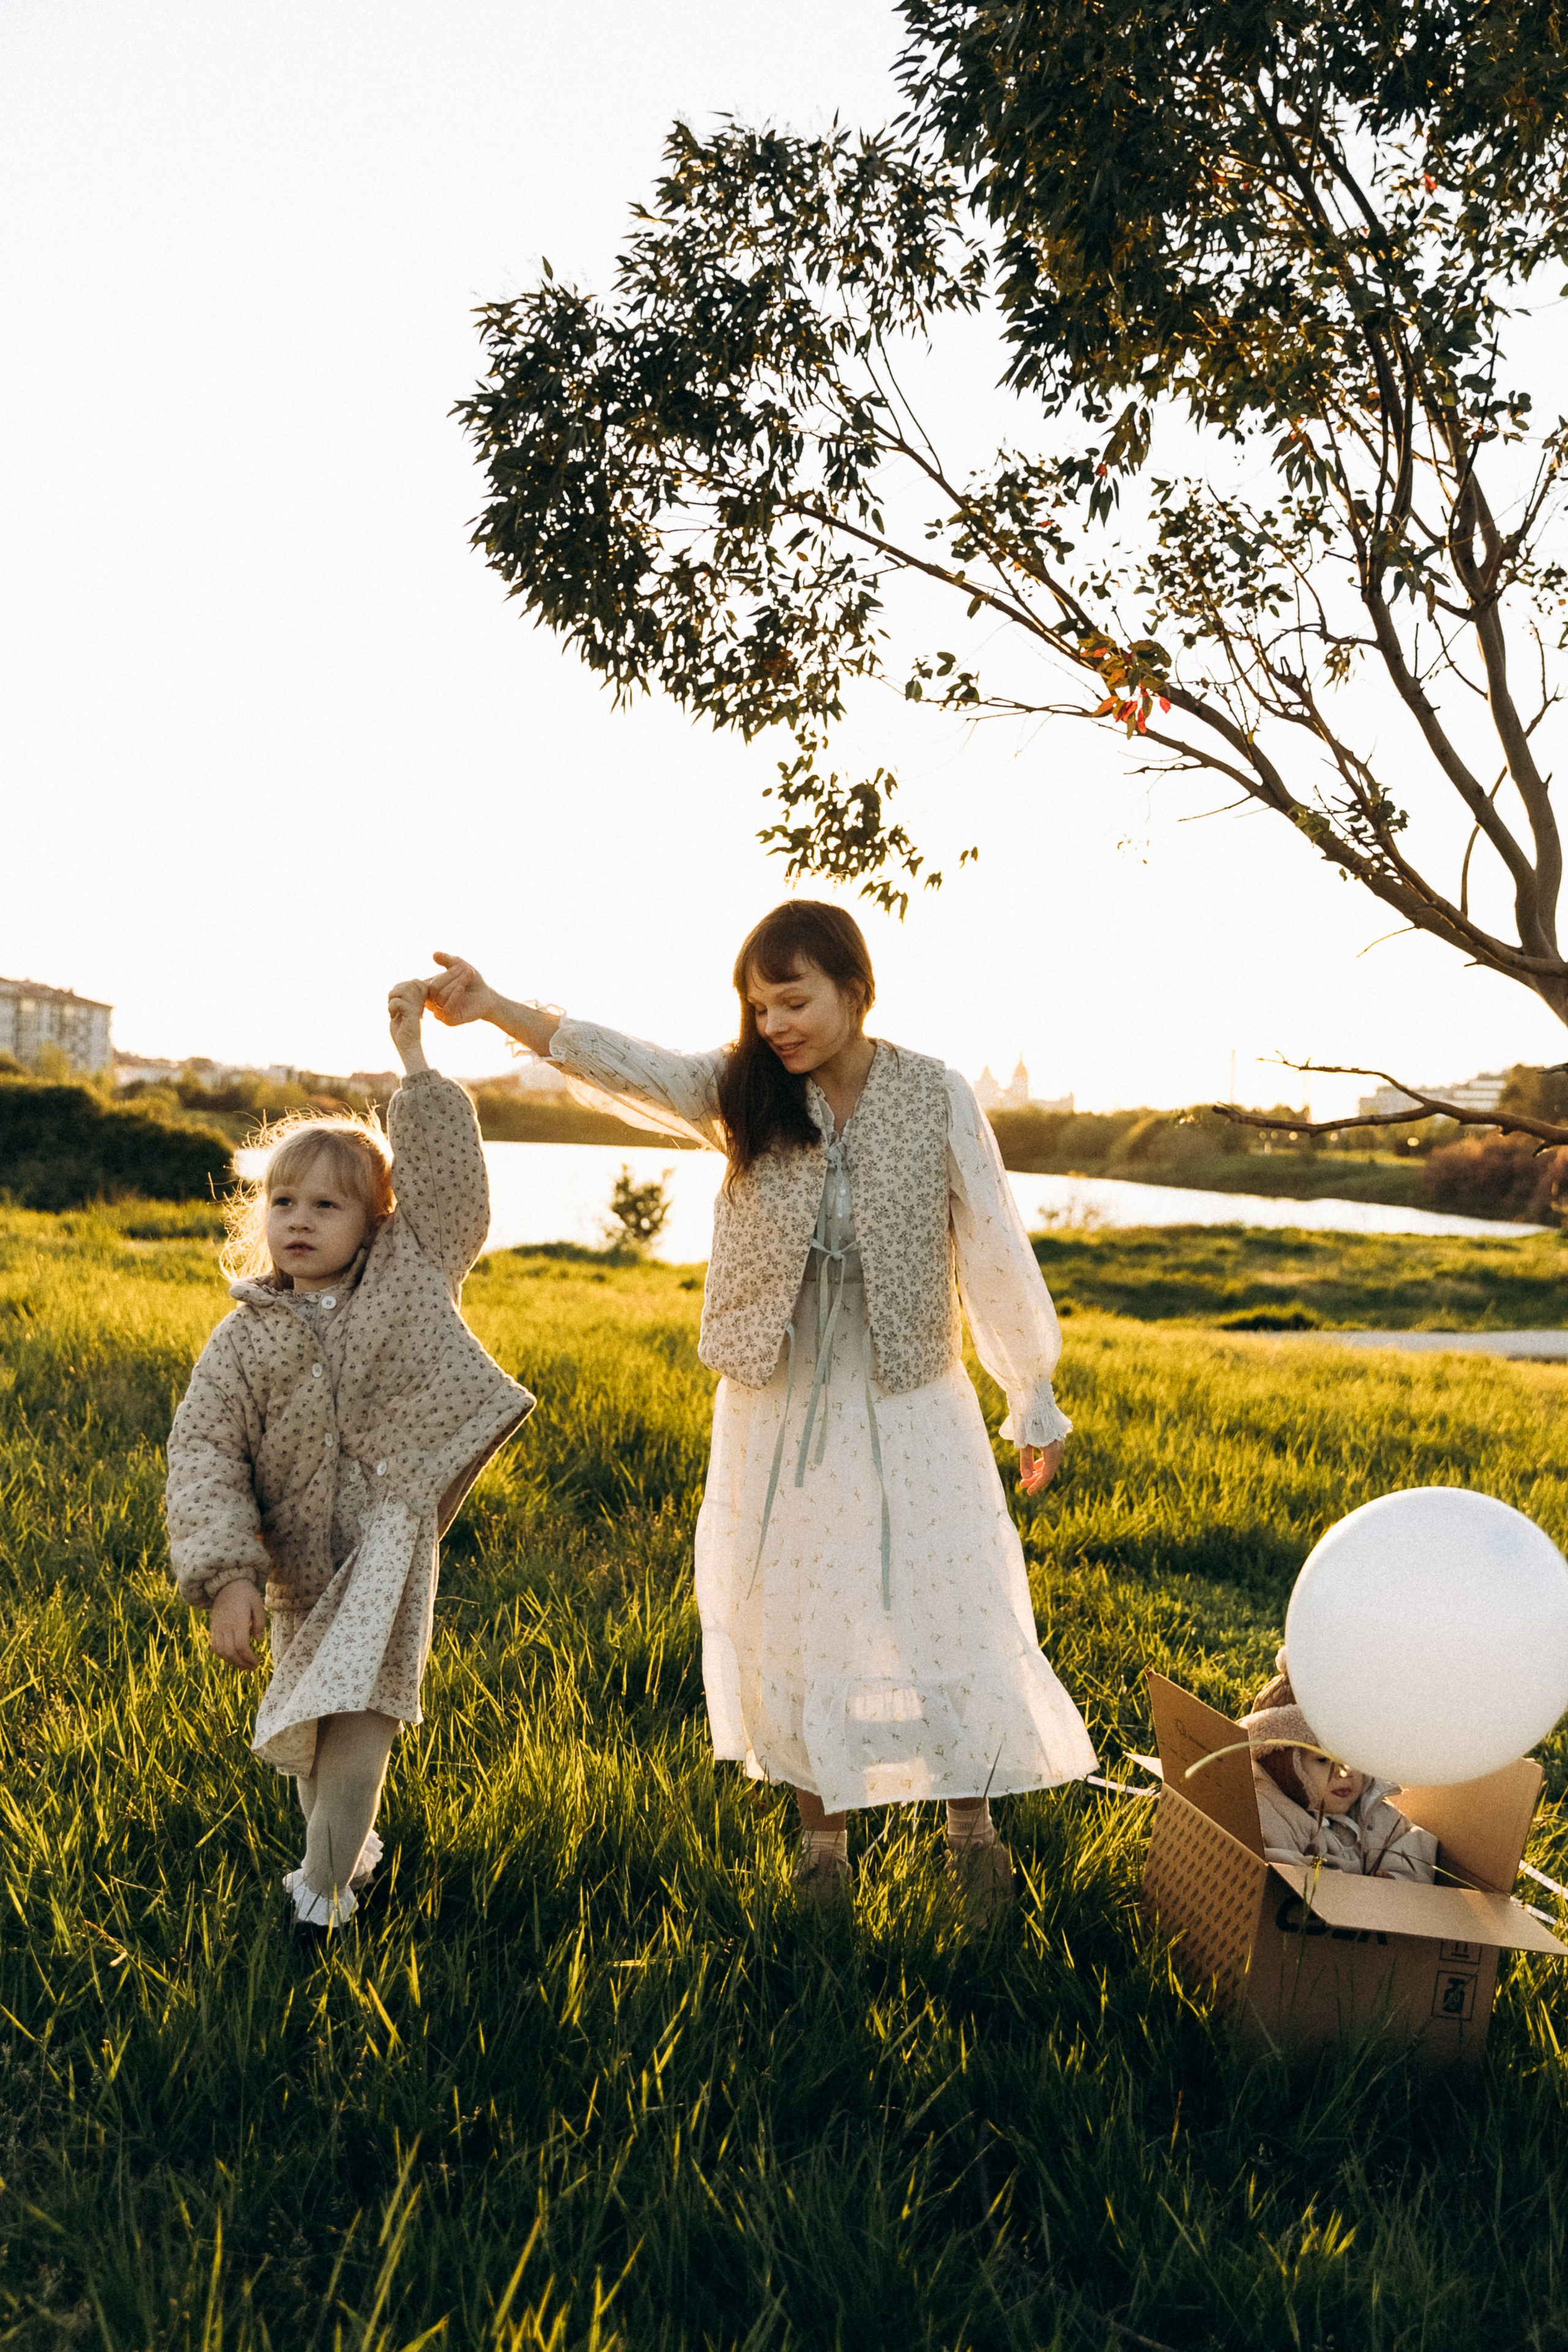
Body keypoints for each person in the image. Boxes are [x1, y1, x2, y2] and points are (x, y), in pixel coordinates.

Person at [422, 900, 1096, 1919]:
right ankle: (824, 1847)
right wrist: (496, 1007)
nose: (774, 1024)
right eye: (758, 1006)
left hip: (910, 1390)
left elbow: (994, 1240)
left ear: (856, 991)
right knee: (801, 1614)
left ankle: (971, 1830)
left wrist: (1030, 1391)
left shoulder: (935, 1093)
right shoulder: (745, 1092)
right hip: (779, 1398)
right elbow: (628, 1065)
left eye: (794, 1001)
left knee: (944, 1600)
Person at [165, 981, 535, 1935]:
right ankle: (342, 1858)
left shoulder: (411, 1272)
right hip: (298, 1564)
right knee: (312, 1724)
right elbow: (205, 1455)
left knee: (363, 1716)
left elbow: (453, 1191)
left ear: (374, 1220)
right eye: (283, 1200)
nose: (299, 1219)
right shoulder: (243, 1340)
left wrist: (416, 1066)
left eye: (327, 1204)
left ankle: (321, 1900)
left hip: (388, 1545)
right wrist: (228, 1576)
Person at [1241, 1660, 1436, 1882]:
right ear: (1284, 1766)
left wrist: (1397, 1879)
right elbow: (1270, 1867)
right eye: (1324, 1760)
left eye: (1351, 1758)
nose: (1345, 1772)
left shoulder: (1372, 1810)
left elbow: (1414, 1846)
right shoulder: (1270, 1812)